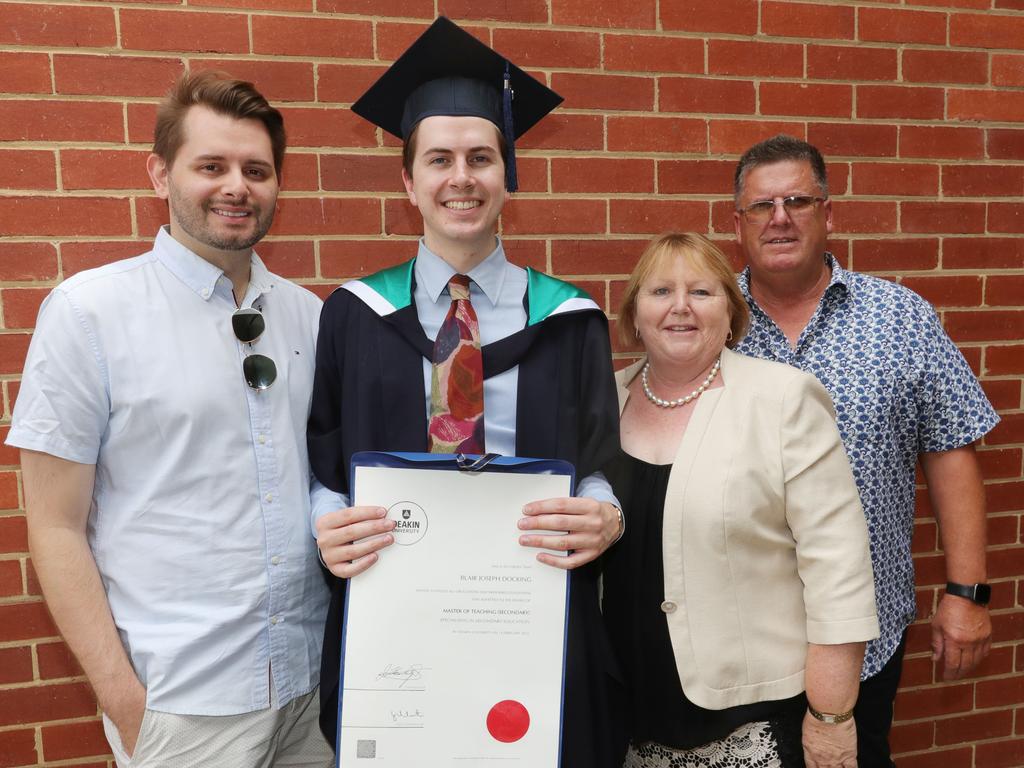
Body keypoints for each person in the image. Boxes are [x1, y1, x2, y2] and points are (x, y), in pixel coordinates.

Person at [307, 17, 626, 768]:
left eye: (482, 158)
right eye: (440, 159)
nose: (462, 178)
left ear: (508, 172)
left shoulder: (570, 318)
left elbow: (601, 459)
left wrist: (607, 515)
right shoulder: (354, 314)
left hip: (532, 609)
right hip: (396, 610)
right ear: (408, 181)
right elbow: (323, 460)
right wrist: (326, 527)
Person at [7, 71, 340, 767]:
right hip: (181, 708)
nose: (236, 187)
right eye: (210, 166)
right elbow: (54, 524)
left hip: (313, 696)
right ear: (160, 173)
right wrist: (125, 702)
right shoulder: (89, 313)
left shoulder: (312, 317)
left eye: (257, 169)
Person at [731, 135, 1000, 767]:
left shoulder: (898, 316)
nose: (779, 218)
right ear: (735, 222)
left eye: (797, 200)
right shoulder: (708, 319)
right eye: (760, 206)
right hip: (737, 629)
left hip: (863, 626)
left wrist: (967, 593)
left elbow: (951, 450)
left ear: (829, 213)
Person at [604, 232, 879, 768]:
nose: (680, 306)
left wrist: (831, 718)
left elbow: (839, 573)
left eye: (701, 293)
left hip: (751, 724)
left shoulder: (782, 399)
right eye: (660, 291)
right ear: (634, 315)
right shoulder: (601, 401)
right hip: (626, 717)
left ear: (731, 313)